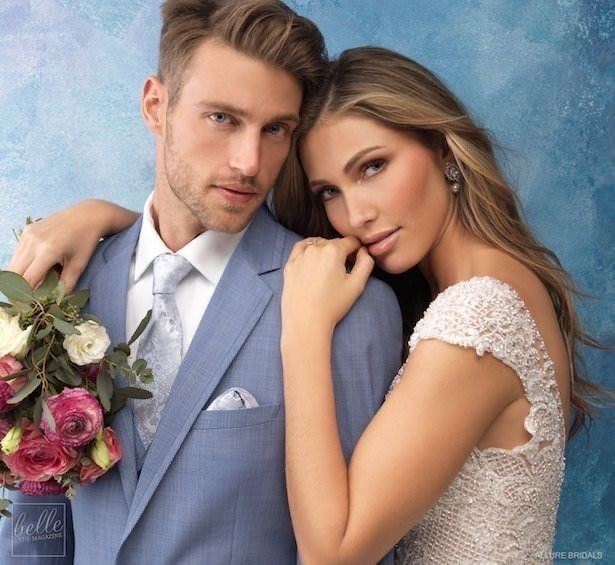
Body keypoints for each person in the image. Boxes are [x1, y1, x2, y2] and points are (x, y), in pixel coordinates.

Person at [13, 44, 609, 563]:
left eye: (373, 167)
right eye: (330, 191)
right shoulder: (484, 290)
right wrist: (113, 225)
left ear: (445, 148)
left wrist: (302, 329)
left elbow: (333, 551)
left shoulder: (476, 322)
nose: (356, 214)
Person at [0, 3, 403, 564]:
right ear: (155, 106)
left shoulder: (348, 308)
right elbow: (36, 521)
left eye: (276, 129)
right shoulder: (59, 289)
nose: (249, 162)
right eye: (222, 118)